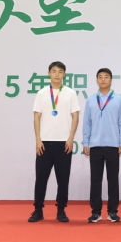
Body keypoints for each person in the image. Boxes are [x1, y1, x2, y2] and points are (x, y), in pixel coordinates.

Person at [30, 61, 80, 222]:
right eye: (54, 71)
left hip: (64, 143)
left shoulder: (71, 93)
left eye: (60, 71)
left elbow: (75, 116)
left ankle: (61, 210)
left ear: (64, 74)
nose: (57, 74)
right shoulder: (42, 93)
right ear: (49, 73)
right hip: (44, 143)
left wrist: (71, 138)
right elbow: (36, 116)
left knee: (63, 179)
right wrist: (38, 139)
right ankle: (38, 210)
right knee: (41, 179)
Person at [82, 68, 121, 223]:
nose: (103, 79)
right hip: (95, 145)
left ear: (111, 80)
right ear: (96, 81)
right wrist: (85, 142)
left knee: (113, 180)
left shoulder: (118, 99)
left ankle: (113, 211)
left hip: (113, 145)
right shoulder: (90, 100)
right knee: (95, 180)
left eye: (106, 77)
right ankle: (96, 212)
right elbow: (87, 123)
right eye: (100, 77)